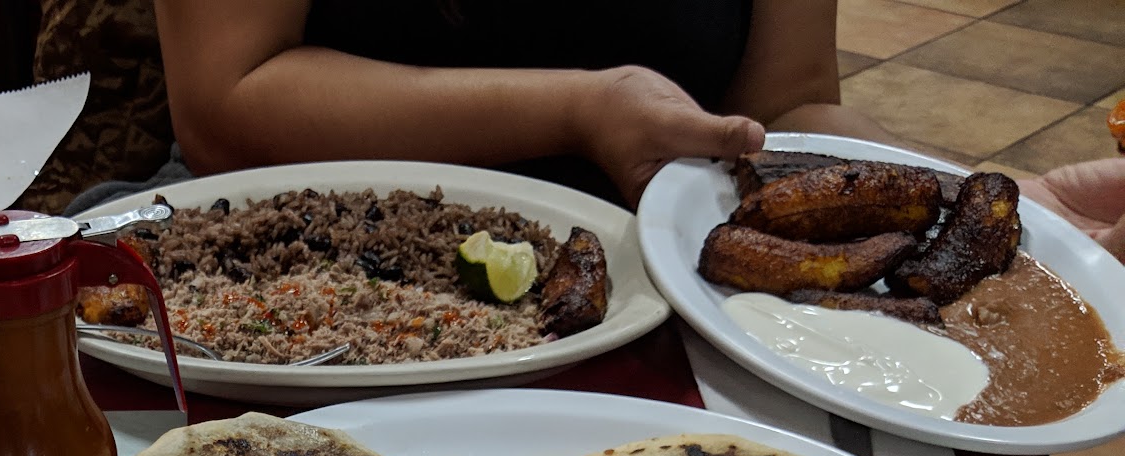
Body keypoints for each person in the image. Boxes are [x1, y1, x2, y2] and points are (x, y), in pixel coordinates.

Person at [153, 0, 892, 205]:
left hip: (661, 285)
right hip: (297, 255)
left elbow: (785, 108)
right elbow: (224, 107)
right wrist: (578, 111)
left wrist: (923, 183)